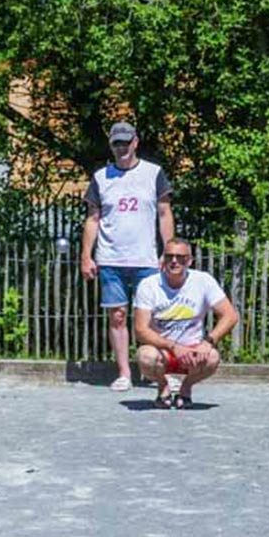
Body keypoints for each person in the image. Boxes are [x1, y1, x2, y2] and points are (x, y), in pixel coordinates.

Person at [80, 121, 174, 391]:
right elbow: (93, 219)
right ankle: (124, 373)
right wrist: (87, 256)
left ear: (135, 142)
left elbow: (164, 213)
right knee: (118, 317)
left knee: (153, 319)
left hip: (146, 258)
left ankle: (154, 370)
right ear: (111, 145)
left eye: (126, 142)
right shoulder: (101, 177)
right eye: (116, 143)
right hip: (111, 258)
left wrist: (168, 252)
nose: (121, 147)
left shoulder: (153, 173)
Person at [133, 238, 239, 407]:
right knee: (145, 356)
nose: (174, 261)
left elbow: (230, 315)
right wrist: (173, 347)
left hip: (193, 351)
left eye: (180, 257)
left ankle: (186, 388)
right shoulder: (148, 285)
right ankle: (163, 386)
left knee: (213, 358)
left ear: (189, 260)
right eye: (169, 256)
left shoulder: (203, 281)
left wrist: (208, 342)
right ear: (163, 260)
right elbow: (140, 330)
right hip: (162, 351)